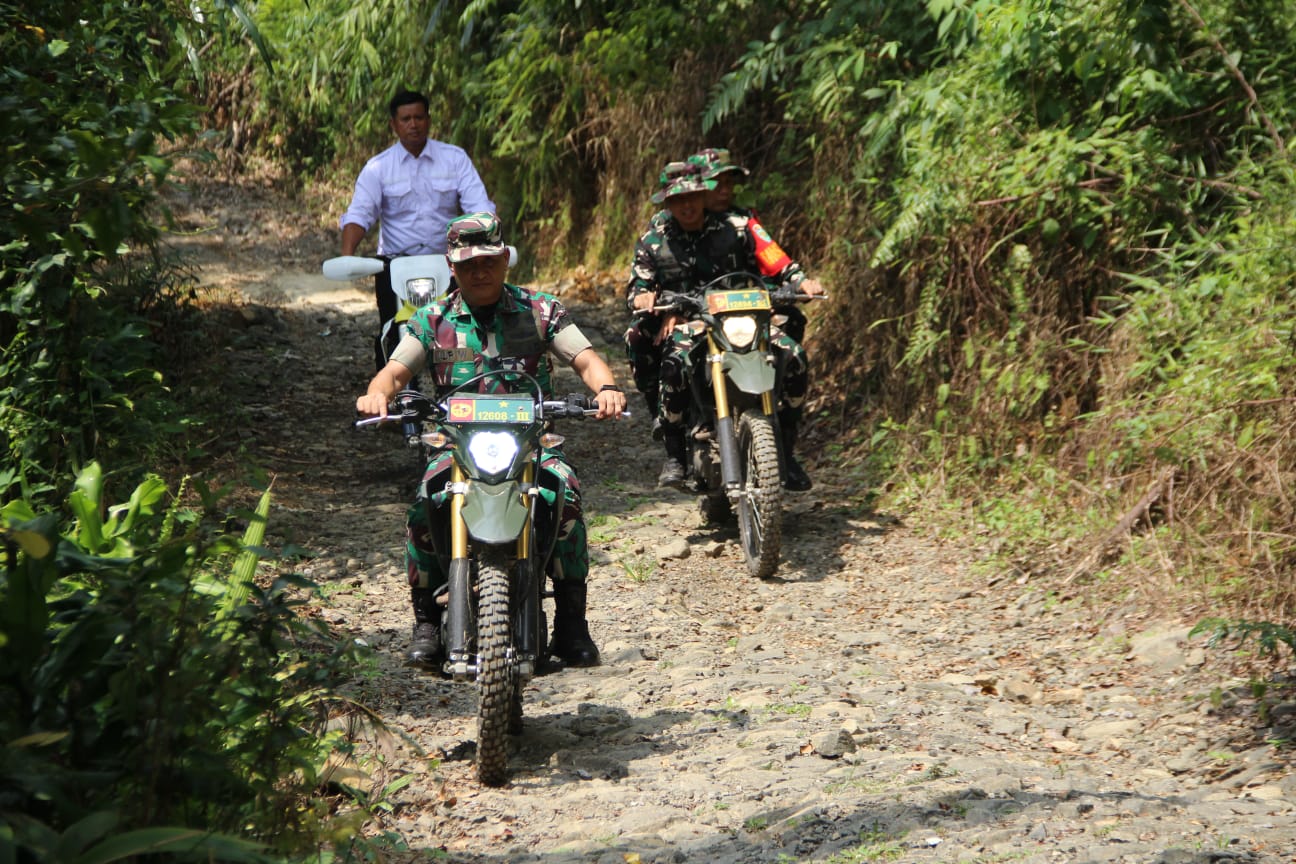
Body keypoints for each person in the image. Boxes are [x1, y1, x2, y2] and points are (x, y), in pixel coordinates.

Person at [356, 212, 627, 669]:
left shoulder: (541, 311)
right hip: (456, 444)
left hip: (532, 443)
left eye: (488, 261)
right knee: (426, 499)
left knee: (566, 494)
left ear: (504, 259)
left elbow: (585, 358)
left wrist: (606, 389)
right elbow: (396, 371)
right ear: (451, 267)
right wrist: (377, 395)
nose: (479, 272)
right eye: (467, 264)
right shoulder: (432, 319)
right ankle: (425, 619)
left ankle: (571, 624)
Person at [625, 161, 814, 491]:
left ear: (704, 194)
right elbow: (638, 287)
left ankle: (786, 449)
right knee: (674, 364)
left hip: (744, 318)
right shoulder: (653, 241)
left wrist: (801, 281)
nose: (687, 205)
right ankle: (674, 457)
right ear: (667, 203)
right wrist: (644, 299)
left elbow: (776, 259)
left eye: (694, 196)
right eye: (678, 199)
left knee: (795, 358)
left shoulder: (738, 226)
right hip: (694, 322)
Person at [340, 89, 495, 372]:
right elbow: (360, 213)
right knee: (390, 327)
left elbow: (479, 208)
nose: (413, 124)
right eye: (406, 118)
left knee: (462, 328)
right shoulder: (378, 168)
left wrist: (488, 246)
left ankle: (461, 391)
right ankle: (388, 402)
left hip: (448, 263)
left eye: (419, 117)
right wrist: (347, 256)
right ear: (394, 124)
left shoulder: (455, 159)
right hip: (395, 265)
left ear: (429, 120)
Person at [686, 147, 824, 344]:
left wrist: (802, 282)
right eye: (716, 182)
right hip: (692, 309)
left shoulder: (743, 220)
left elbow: (771, 255)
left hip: (742, 308)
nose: (725, 190)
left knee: (791, 324)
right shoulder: (674, 223)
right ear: (697, 186)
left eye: (729, 182)